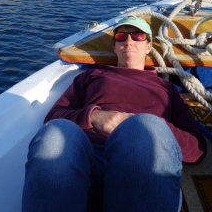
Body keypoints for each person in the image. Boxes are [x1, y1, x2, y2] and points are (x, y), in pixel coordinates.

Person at [22, 16, 206, 212]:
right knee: (55, 134)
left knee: (144, 128)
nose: (128, 41)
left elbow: (197, 150)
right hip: (87, 157)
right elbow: (53, 118)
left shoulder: (167, 88)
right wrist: (94, 116)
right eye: (121, 36)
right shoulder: (91, 76)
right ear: (114, 46)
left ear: (148, 46)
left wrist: (148, 126)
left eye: (138, 36)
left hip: (142, 161)